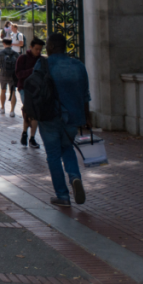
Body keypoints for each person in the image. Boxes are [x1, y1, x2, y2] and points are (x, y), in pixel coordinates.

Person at [36, 33, 91, 207]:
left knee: (53, 154)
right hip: (73, 117)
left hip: (49, 116)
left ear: (51, 47)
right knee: (68, 148)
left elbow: (35, 91)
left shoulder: (43, 64)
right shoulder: (78, 65)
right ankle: (74, 177)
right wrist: (85, 117)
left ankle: (62, 195)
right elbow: (85, 95)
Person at [15, 37, 44, 149]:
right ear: (30, 47)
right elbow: (18, 74)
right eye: (36, 49)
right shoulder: (22, 58)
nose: (38, 51)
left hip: (38, 90)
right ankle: (27, 134)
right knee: (30, 111)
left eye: (40, 49)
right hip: (24, 89)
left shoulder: (41, 60)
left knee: (33, 113)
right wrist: (33, 70)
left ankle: (30, 136)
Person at [0, 38, 20, 116]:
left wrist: (0, 66)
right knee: (13, 92)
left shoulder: (0, 53)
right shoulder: (15, 53)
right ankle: (12, 111)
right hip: (13, 75)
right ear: (11, 43)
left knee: (3, 91)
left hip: (3, 74)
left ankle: (2, 108)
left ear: (3, 43)